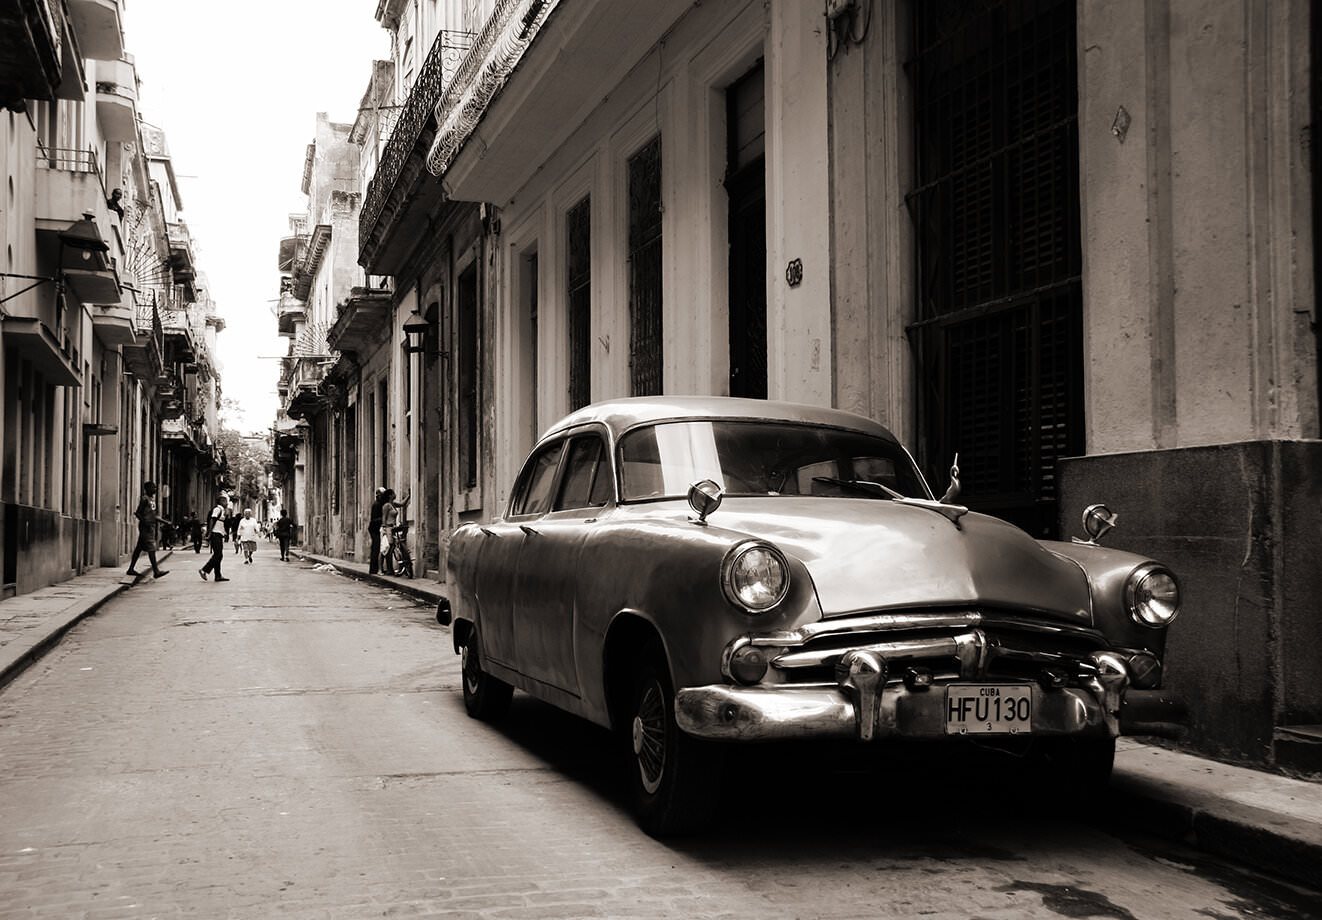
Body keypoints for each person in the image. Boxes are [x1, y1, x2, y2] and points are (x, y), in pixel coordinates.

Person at [126, 481, 169, 579]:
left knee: (139, 548)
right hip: (146, 528)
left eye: (155, 487)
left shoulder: (152, 500)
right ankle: (156, 571)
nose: (155, 489)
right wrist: (145, 522)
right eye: (153, 487)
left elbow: (154, 515)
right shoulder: (144, 499)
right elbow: (137, 513)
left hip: (151, 527)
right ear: (147, 489)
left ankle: (131, 569)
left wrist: (165, 522)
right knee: (151, 548)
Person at [199, 494, 230, 582]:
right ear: (221, 502)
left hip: (219, 533)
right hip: (215, 534)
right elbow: (212, 520)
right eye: (225, 501)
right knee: (218, 555)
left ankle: (218, 575)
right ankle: (204, 570)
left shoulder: (222, 510)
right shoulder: (218, 509)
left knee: (219, 555)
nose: (227, 503)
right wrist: (209, 533)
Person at [380, 488, 410, 574]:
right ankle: (385, 568)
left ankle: (392, 568)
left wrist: (409, 496)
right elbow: (384, 517)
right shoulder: (386, 505)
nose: (395, 494)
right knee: (388, 548)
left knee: (394, 546)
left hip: (394, 527)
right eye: (393, 493)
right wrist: (385, 528)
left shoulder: (393, 504)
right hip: (388, 527)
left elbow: (402, 504)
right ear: (390, 495)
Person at [367, 487, 386, 574]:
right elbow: (374, 519)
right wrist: (383, 519)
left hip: (377, 528)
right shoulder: (377, 505)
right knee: (376, 548)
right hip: (374, 529)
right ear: (378, 495)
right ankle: (373, 569)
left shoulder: (382, 504)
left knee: (378, 548)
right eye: (381, 495)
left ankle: (376, 569)